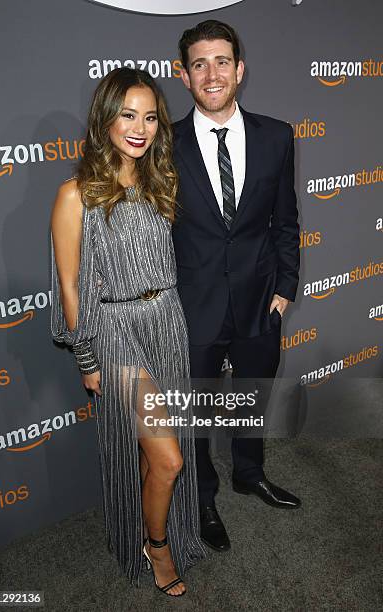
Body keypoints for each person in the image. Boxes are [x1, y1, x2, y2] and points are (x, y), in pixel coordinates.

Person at [50, 67, 205, 595]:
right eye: (127, 115)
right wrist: (86, 359)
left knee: (153, 452)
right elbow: (69, 286)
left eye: (149, 117)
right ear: (105, 118)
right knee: (169, 457)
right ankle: (156, 548)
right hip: (115, 330)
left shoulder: (159, 180)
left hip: (166, 320)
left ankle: (149, 527)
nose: (139, 128)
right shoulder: (76, 194)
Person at [172, 20, 301, 552]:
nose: (212, 73)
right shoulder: (163, 143)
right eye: (199, 64)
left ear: (240, 69)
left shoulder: (277, 135)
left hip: (258, 302)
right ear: (183, 76)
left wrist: (285, 288)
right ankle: (203, 495)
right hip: (192, 305)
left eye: (222, 61)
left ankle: (249, 472)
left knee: (252, 396)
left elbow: (285, 221)